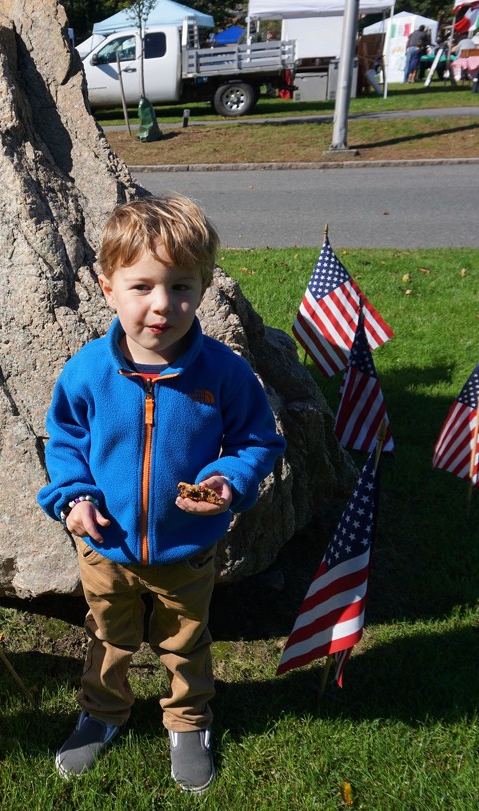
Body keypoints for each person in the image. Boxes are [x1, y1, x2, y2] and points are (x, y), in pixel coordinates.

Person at [37, 196, 286, 794]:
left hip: (186, 551)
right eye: (142, 286)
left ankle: (190, 719)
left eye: (180, 286)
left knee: (184, 640)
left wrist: (229, 480)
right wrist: (73, 498)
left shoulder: (223, 373)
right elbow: (64, 441)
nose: (161, 305)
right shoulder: (87, 371)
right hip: (105, 547)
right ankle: (102, 712)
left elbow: (258, 439)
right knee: (108, 637)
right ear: (107, 288)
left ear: (202, 288)